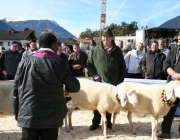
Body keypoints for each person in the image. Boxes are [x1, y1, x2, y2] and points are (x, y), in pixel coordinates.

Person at [13, 33, 80, 140]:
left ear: (39, 44)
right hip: (52, 116)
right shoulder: (60, 63)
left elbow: (16, 89)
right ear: (53, 45)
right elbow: (75, 87)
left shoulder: (24, 62)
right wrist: (67, 88)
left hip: (28, 114)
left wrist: (17, 112)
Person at [86, 27, 126, 131]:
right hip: (98, 84)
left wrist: (120, 80)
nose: (105, 38)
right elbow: (89, 65)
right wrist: (94, 75)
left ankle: (108, 122)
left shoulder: (117, 51)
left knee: (110, 103)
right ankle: (95, 122)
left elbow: (122, 67)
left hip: (112, 83)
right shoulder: (95, 50)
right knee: (97, 104)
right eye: (104, 36)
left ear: (111, 38)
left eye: (107, 37)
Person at [157, 31, 180, 139]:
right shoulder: (173, 51)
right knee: (169, 109)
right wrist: (174, 74)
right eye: (179, 39)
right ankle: (165, 131)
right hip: (173, 86)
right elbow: (166, 64)